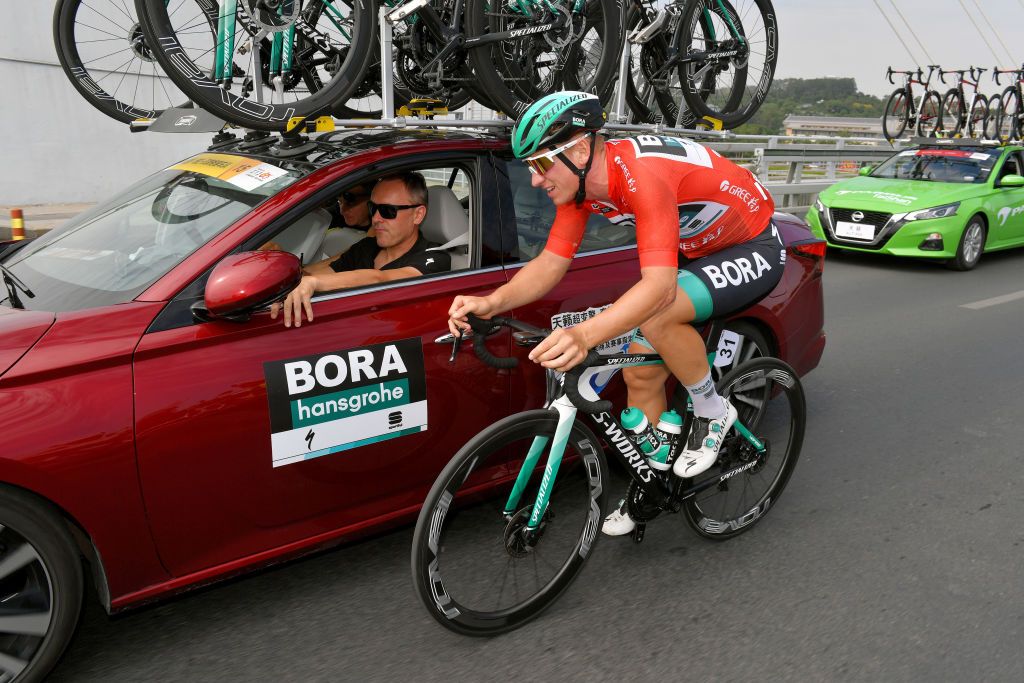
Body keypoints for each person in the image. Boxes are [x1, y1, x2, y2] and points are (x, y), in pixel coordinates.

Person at [446, 91, 784, 536]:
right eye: (530, 167)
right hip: (696, 252)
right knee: (638, 374)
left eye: (542, 164)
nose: (534, 180)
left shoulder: (641, 175)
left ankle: (712, 409)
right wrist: (490, 302)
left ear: (581, 149)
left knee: (657, 315)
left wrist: (586, 335)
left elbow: (659, 288)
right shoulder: (581, 188)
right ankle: (653, 485)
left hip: (750, 245)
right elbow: (550, 264)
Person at [273, 171, 450, 327]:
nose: (376, 219)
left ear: (417, 215)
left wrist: (314, 283)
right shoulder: (367, 247)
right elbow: (313, 272)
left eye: (388, 211)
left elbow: (380, 279)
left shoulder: (434, 257)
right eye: (373, 208)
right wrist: (278, 272)